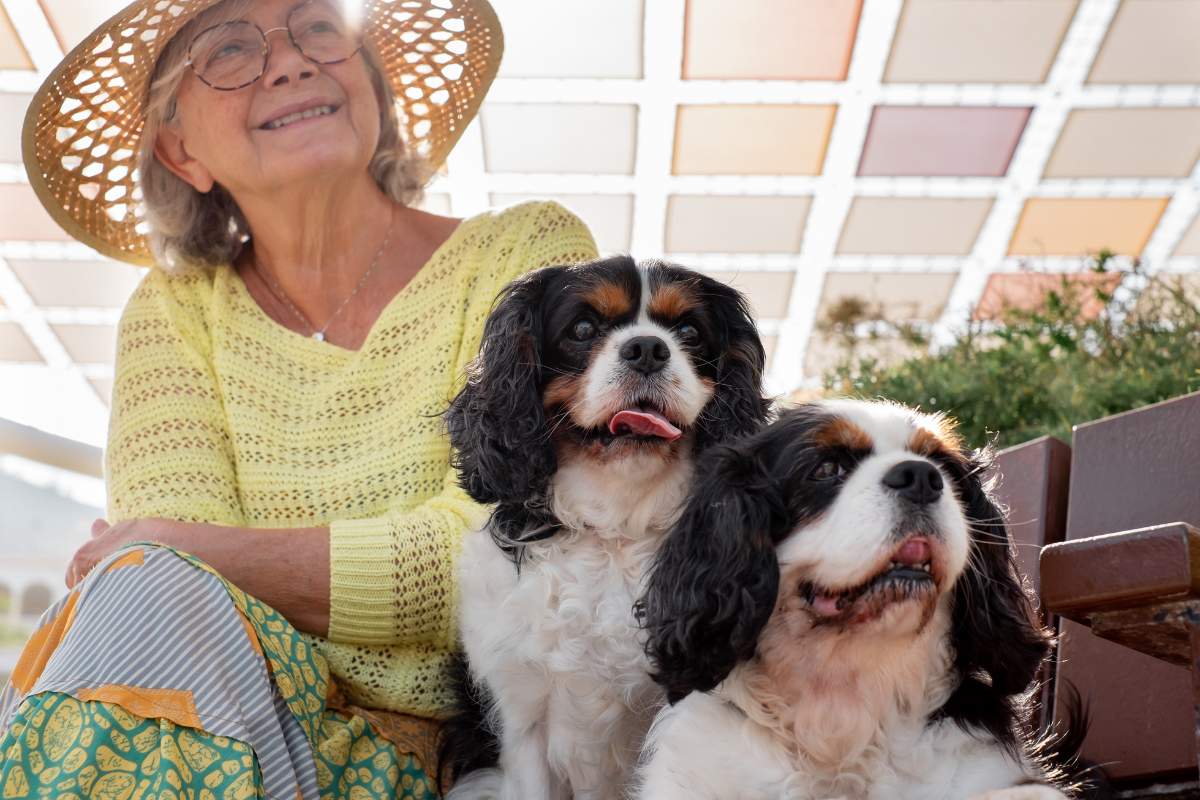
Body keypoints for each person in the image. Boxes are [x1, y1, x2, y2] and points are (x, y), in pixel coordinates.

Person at [0, 0, 597, 796]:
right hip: (235, 723)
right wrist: (179, 554)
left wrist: (200, 550)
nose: (289, 61)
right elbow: (173, 597)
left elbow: (518, 549)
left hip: (471, 751)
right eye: (230, 48)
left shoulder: (525, 258)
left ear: (373, 91)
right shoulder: (176, 310)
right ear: (181, 151)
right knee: (144, 595)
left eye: (319, 26)